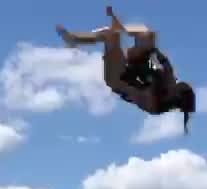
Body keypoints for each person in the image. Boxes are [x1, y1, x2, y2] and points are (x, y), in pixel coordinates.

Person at [56, 6, 196, 132]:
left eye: (176, 86)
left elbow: (132, 92)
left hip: (118, 79)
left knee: (109, 35)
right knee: (145, 33)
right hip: (131, 69)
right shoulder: (168, 76)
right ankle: (117, 30)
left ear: (174, 95)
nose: (175, 82)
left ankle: (74, 40)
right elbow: (162, 63)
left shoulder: (155, 105)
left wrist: (139, 84)